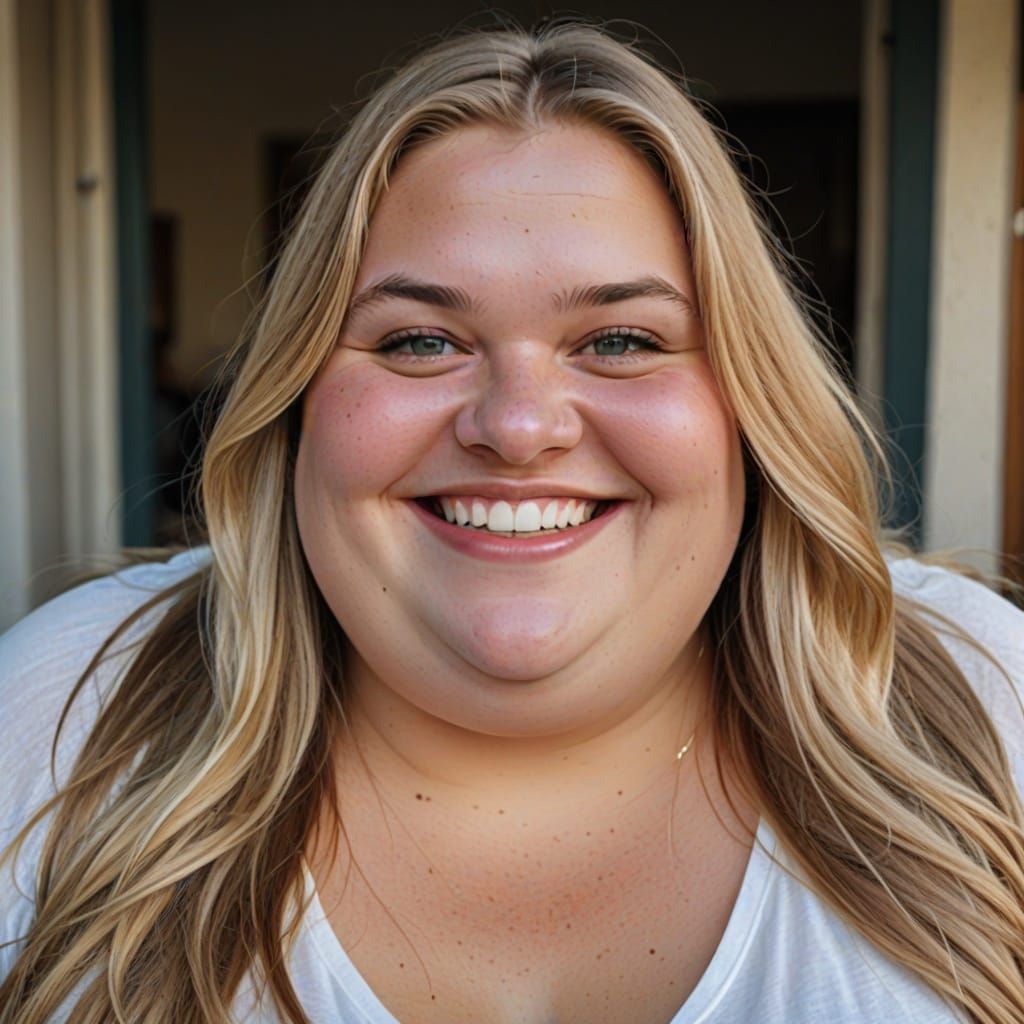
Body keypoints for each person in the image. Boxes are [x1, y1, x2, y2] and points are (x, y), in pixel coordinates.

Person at [1, 20, 1022, 1024]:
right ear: (296, 399)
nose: (519, 427)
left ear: (751, 403)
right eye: (418, 341)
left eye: (621, 340)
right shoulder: (65, 715)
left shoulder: (987, 705)